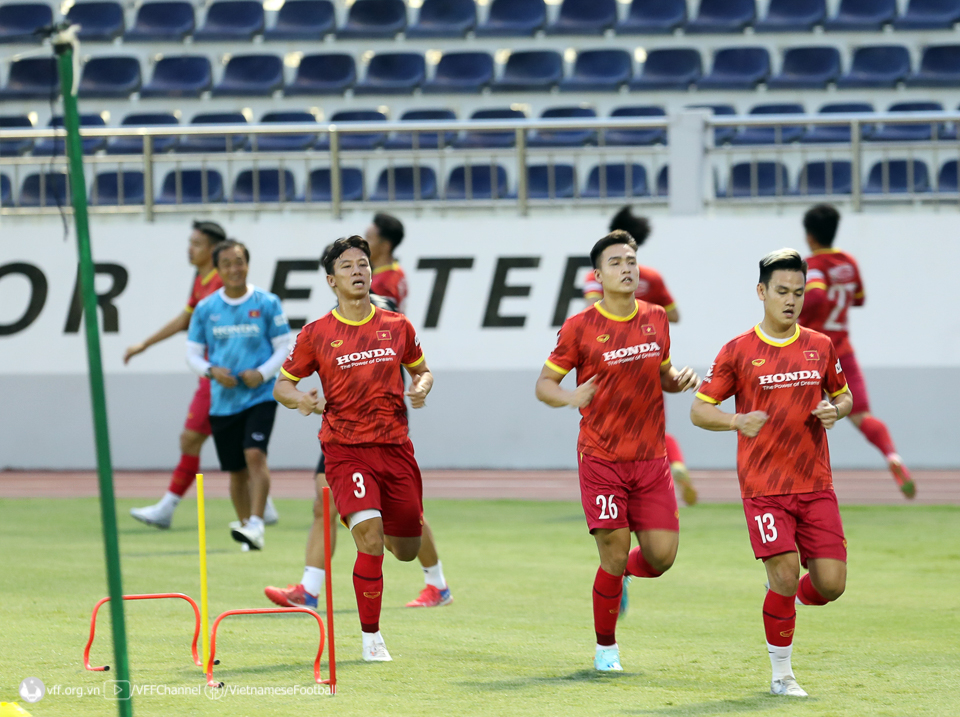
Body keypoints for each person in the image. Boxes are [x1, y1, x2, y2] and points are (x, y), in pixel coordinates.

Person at [268, 216, 452, 612]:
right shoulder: (322, 328)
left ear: (380, 250)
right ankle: (310, 588)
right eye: (347, 265)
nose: (358, 269)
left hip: (381, 419)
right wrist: (302, 399)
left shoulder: (387, 287)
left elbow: (406, 349)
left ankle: (435, 581)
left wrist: (419, 384)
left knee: (399, 523)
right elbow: (284, 385)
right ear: (331, 278)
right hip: (342, 430)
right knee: (327, 501)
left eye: (363, 259)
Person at [691, 248, 852, 698]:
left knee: (831, 585)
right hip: (765, 488)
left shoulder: (820, 346)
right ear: (761, 292)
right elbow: (700, 410)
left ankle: (785, 596)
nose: (791, 300)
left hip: (816, 484)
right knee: (782, 575)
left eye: (798, 293)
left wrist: (833, 410)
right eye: (782, 291)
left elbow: (845, 396)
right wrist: (735, 421)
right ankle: (782, 675)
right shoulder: (738, 351)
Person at [537, 230, 699, 672]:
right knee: (612, 550)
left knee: (662, 557)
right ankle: (606, 648)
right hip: (602, 458)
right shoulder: (580, 327)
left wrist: (677, 380)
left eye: (631, 260)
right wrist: (572, 398)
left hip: (651, 459)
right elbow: (544, 385)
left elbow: (661, 371)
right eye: (616, 262)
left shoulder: (655, 317)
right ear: (598, 274)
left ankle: (623, 573)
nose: (627, 268)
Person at [125, 220, 279, 529]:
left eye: (196, 244)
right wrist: (145, 345)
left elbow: (185, 320)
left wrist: (145, 343)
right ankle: (265, 507)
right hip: (213, 375)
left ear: (212, 250)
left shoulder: (219, 286)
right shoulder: (202, 279)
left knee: (192, 439)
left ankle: (168, 506)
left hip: (224, 380)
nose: (189, 249)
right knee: (240, 452)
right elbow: (188, 320)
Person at [582, 208, 698, 506]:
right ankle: (677, 467)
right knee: (653, 428)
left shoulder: (595, 277)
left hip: (611, 360)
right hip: (647, 360)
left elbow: (593, 310)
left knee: (607, 433)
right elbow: (675, 314)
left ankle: (618, 494)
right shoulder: (650, 277)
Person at [799, 204, 915, 498]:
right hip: (843, 352)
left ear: (810, 236)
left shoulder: (813, 265)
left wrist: (793, 313)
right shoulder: (847, 262)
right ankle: (892, 455)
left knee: (801, 417)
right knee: (861, 414)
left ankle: (802, 482)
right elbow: (859, 298)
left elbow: (813, 297)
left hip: (811, 353)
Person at [185, 240, 292, 550]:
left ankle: (257, 522)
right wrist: (211, 371)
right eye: (228, 263)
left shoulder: (267, 302)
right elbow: (191, 354)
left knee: (255, 455)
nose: (235, 268)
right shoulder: (206, 308)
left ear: (247, 264)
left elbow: (284, 346)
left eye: (240, 261)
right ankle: (248, 530)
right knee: (235, 471)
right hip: (223, 400)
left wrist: (262, 373)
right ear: (217, 269)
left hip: (259, 395)